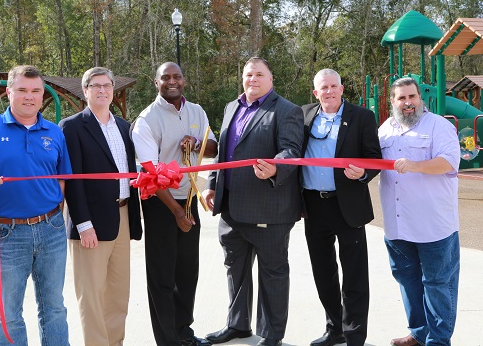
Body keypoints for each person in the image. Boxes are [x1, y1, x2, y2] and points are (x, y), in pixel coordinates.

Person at [0, 65, 72, 346]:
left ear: (43, 94)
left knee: (54, 308)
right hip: (7, 234)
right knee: (8, 313)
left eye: (35, 91)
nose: (29, 97)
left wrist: (57, 216)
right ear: (9, 92)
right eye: (22, 90)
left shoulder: (54, 133)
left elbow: (63, 179)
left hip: (52, 230)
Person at [203, 57, 304, 346]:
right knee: (235, 269)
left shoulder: (286, 111)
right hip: (231, 209)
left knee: (272, 273)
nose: (253, 79)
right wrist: (212, 185)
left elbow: (291, 151)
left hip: (268, 209)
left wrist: (276, 168)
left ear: (271, 79)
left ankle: (271, 334)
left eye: (260, 74)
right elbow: (223, 152)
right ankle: (237, 325)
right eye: (249, 74)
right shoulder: (231, 107)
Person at [131, 62, 217, 346]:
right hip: (161, 203)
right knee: (162, 276)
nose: (172, 81)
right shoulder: (146, 120)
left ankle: (184, 333)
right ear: (156, 83)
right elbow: (149, 174)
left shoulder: (197, 111)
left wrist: (196, 143)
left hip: (189, 198)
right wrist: (177, 212)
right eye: (165, 77)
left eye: (177, 76)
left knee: (187, 273)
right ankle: (167, 340)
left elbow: (214, 147)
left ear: (184, 80)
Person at [59, 67, 142, 345]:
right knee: (92, 296)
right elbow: (73, 180)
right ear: (85, 91)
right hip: (90, 224)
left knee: (118, 293)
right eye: (96, 86)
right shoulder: (72, 127)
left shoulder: (124, 127)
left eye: (107, 85)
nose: (103, 90)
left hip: (122, 217)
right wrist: (83, 224)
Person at [301, 69, 382, 346]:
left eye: (334, 86)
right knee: (323, 271)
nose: (329, 91)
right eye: (324, 87)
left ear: (342, 88)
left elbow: (374, 158)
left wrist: (362, 174)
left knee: (355, 274)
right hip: (313, 205)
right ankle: (334, 328)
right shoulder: (304, 115)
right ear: (316, 93)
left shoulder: (361, 117)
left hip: (347, 205)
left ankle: (354, 335)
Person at [377, 77, 461, 346]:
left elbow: (448, 162)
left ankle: (438, 340)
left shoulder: (439, 126)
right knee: (407, 279)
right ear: (393, 101)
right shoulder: (384, 130)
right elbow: (370, 161)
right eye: (401, 98)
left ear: (420, 98)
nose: (408, 103)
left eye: (412, 97)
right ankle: (418, 333)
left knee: (438, 284)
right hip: (397, 224)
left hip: (433, 225)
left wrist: (415, 165)